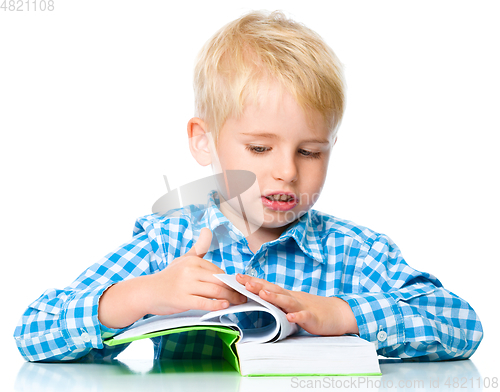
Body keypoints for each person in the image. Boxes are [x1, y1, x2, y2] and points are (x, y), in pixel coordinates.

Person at [14, 10, 482, 363]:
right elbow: (34, 331)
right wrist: (142, 295)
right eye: (260, 149)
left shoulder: (356, 253)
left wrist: (343, 314)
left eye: (311, 151)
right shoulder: (167, 243)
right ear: (203, 141)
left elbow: (461, 325)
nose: (287, 172)